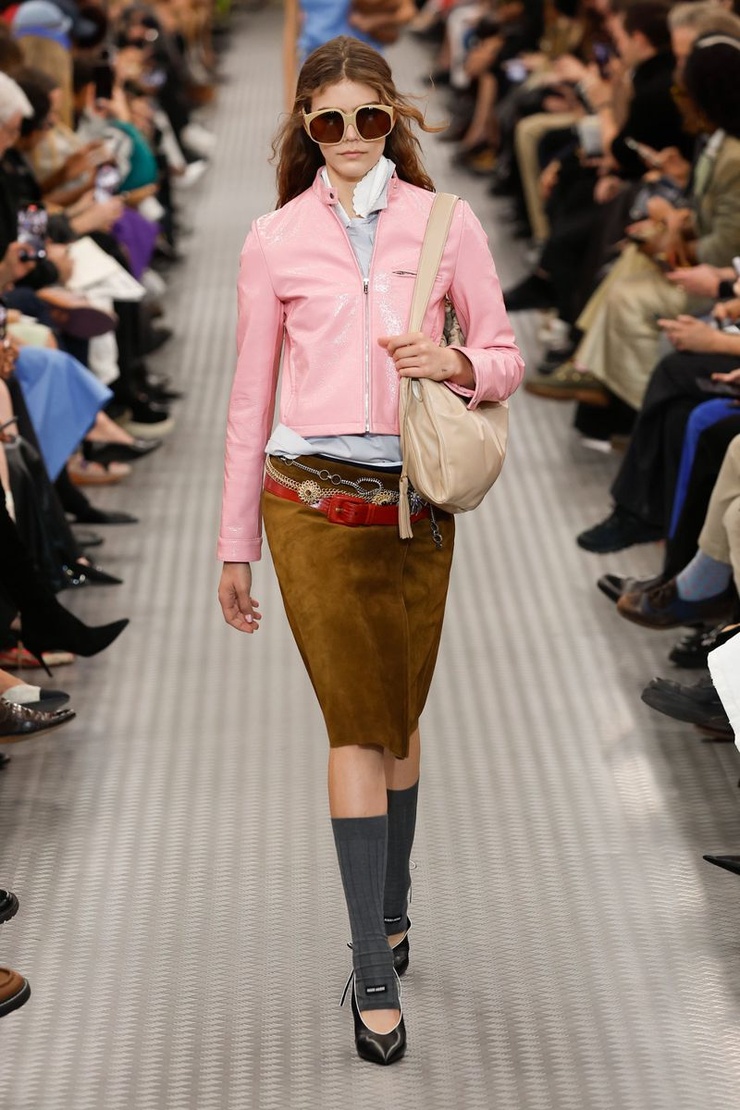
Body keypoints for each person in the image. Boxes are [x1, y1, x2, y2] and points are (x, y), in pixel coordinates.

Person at [217, 35, 522, 1065]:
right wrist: (234, 545)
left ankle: (393, 908)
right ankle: (371, 965)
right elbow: (248, 401)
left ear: (393, 119)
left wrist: (454, 361)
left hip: (414, 507)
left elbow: (507, 356)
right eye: (330, 120)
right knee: (357, 724)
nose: (350, 136)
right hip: (307, 504)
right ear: (306, 129)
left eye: (369, 118)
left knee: (397, 716)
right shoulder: (272, 240)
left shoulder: (445, 223)